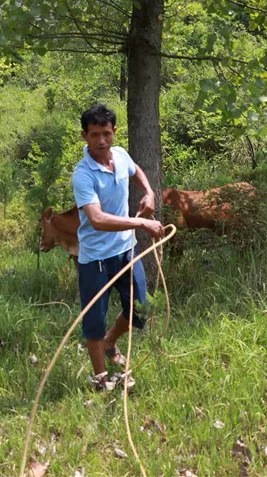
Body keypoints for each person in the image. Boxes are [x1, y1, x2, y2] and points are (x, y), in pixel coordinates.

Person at [72, 104, 165, 391]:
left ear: (114, 133)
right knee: (94, 322)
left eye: (107, 134)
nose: (102, 141)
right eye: (95, 134)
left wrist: (148, 192)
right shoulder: (83, 175)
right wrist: (140, 224)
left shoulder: (121, 155)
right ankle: (101, 379)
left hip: (127, 250)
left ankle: (112, 341)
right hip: (96, 259)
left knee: (140, 308)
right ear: (85, 136)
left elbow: (136, 171)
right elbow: (97, 219)